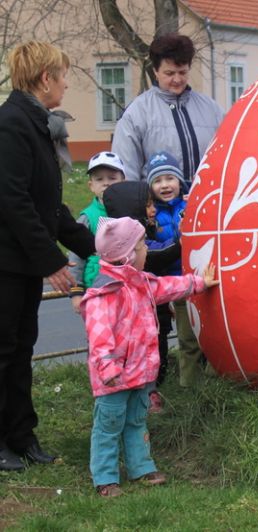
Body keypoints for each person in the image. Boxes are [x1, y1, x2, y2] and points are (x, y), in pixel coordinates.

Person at [0, 41, 96, 471]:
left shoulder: (37, 124)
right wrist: (53, 262)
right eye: (62, 76)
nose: (66, 84)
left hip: (21, 263)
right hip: (5, 264)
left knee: (21, 350)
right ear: (45, 79)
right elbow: (13, 201)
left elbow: (50, 208)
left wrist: (100, 247)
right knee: (3, 352)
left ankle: (22, 436)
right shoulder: (11, 125)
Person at [81, 217, 218, 497]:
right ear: (127, 255)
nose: (147, 250)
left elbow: (167, 287)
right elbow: (99, 338)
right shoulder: (103, 294)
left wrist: (199, 283)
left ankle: (141, 467)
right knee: (108, 426)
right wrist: (108, 370)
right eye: (142, 246)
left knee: (136, 421)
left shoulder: (141, 282)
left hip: (141, 373)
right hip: (114, 379)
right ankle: (105, 478)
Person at [103, 181, 183, 411]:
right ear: (132, 208)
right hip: (143, 313)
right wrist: (181, 241)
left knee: (158, 346)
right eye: (148, 205)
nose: (153, 209)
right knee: (149, 351)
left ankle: (150, 390)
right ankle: (144, 395)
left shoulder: (143, 230)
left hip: (155, 309)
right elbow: (160, 252)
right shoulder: (132, 244)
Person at [112, 33, 223, 182]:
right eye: (169, 73)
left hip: (205, 195)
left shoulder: (212, 109)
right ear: (155, 71)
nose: (177, 79)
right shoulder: (136, 113)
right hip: (153, 197)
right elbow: (125, 172)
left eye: (182, 72)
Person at [146, 152, 206, 388]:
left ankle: (215, 378)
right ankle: (189, 385)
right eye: (157, 180)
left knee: (210, 333)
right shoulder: (152, 214)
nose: (164, 185)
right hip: (174, 285)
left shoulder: (191, 203)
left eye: (170, 178)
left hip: (200, 279)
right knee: (187, 339)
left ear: (180, 181)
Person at [68, 152, 127, 313]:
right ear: (91, 186)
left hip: (128, 287)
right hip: (96, 290)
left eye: (112, 178)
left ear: (124, 181)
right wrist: (76, 291)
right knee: (101, 328)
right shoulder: (87, 218)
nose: (106, 183)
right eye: (99, 179)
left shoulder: (131, 212)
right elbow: (76, 256)